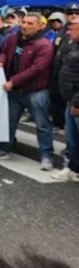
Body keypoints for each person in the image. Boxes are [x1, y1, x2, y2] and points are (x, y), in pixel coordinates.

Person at [0, 13, 54, 169]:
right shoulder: (13, 38)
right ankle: (5, 148)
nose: (25, 26)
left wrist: (13, 81)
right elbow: (4, 52)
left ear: (40, 26)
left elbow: (36, 69)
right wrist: (0, 62)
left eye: (30, 23)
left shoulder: (45, 45)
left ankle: (46, 155)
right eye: (24, 22)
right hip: (15, 91)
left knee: (42, 125)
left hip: (35, 91)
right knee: (9, 122)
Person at [52, 19, 79, 182]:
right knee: (72, 140)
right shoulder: (74, 46)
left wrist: (77, 102)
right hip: (70, 100)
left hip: (76, 102)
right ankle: (72, 168)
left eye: (73, 29)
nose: (68, 32)